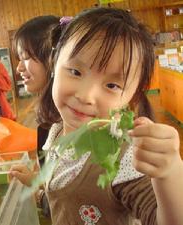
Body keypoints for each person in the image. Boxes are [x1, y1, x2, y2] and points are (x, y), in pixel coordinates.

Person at [10, 8, 183, 225]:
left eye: (112, 85)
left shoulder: (124, 157)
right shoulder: (55, 133)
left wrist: (170, 174)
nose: (86, 96)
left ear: (132, 96)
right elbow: (64, 197)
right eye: (75, 72)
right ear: (54, 63)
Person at [12, 15, 60, 218]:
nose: (19, 68)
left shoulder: (67, 120)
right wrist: (37, 178)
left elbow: (78, 200)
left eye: (26, 57)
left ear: (53, 59)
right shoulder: (53, 116)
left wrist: (40, 197)